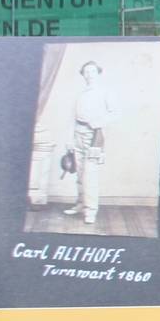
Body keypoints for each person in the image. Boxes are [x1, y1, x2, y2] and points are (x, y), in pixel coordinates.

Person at [65, 58, 117, 226]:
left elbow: (115, 113)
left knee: (90, 175)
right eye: (86, 71)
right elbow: (73, 117)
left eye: (93, 71)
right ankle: (81, 204)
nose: (89, 74)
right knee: (80, 173)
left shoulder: (105, 91)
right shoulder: (80, 93)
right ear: (83, 75)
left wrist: (97, 122)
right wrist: (70, 139)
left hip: (94, 136)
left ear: (98, 73)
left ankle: (91, 211)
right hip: (78, 135)